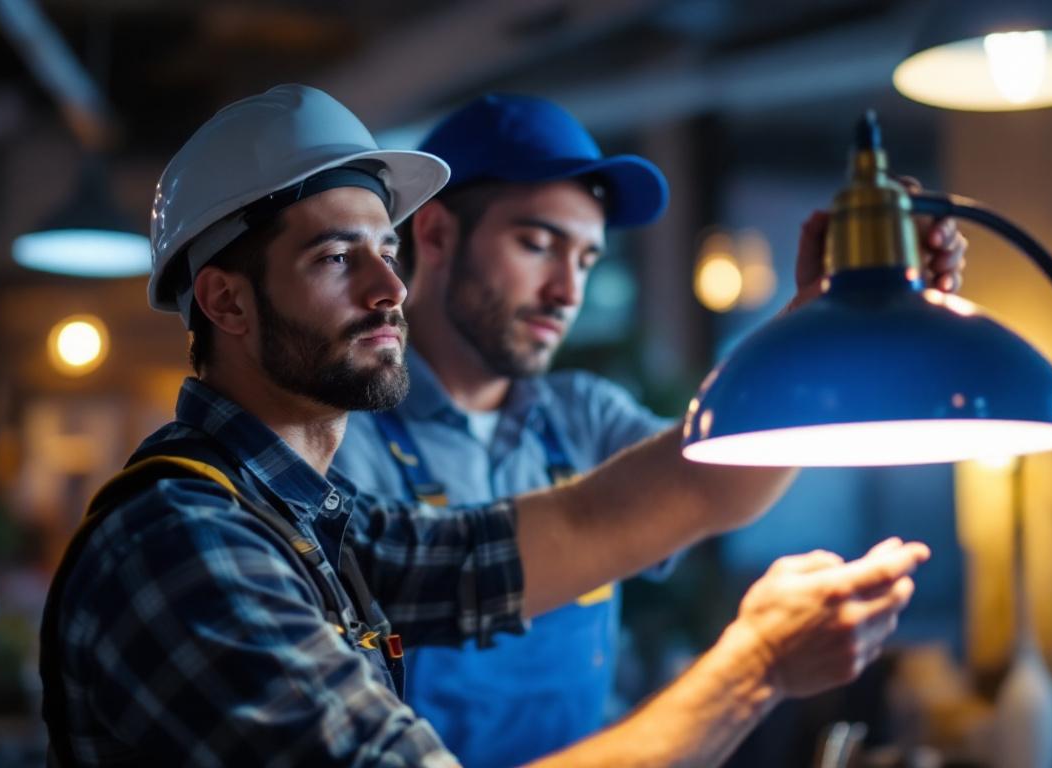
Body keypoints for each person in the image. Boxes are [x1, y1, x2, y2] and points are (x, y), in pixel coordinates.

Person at [39, 84, 930, 768]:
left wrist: (824, 319)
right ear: (226, 301)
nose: (389, 289)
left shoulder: (318, 524)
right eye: (335, 258)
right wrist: (756, 669)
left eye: (384, 252)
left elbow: (590, 523)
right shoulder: (187, 548)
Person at [331, 93, 967, 766]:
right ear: (434, 235)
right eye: (538, 244)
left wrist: (830, 318)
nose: (566, 291)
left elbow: (711, 486)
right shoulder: (345, 441)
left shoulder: (582, 415)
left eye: (585, 259)